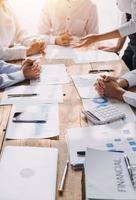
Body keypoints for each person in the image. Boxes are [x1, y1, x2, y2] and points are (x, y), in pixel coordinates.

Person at [74, 0, 136, 69]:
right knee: (124, 70)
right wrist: (118, 46)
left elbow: (134, 25)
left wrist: (97, 38)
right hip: (133, 43)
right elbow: (126, 15)